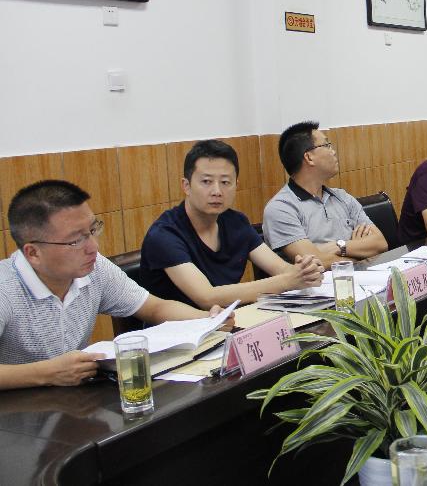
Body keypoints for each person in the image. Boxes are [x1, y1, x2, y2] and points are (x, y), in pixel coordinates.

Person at [0, 180, 230, 390]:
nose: (93, 247)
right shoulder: (5, 288)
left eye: (93, 230)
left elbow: (154, 307)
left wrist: (207, 320)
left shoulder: (95, 268)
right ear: (33, 253)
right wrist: (47, 373)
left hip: (73, 401)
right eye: (76, 240)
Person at [140, 140, 323, 309]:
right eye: (206, 181)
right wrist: (288, 280)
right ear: (186, 186)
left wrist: (304, 270)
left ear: (236, 185)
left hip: (227, 321)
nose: (217, 191)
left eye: (225, 182)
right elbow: (207, 297)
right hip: (179, 329)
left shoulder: (236, 222)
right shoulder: (164, 235)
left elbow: (281, 269)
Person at [262, 121, 387, 266]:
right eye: (327, 145)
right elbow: (316, 262)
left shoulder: (342, 197)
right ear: (309, 157)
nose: (333, 151)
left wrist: (339, 246)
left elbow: (380, 243)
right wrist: (359, 255)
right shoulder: (281, 208)